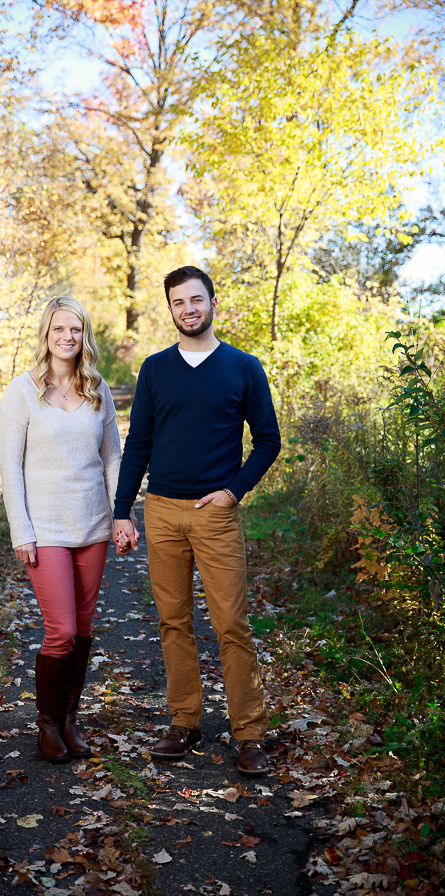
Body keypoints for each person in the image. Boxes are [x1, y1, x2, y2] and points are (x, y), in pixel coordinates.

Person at [112, 266, 281, 775]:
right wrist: (123, 510)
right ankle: (184, 723)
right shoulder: (155, 369)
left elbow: (268, 439)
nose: (189, 309)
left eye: (196, 300)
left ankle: (249, 733)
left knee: (231, 623)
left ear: (212, 303)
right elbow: (137, 442)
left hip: (215, 516)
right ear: (171, 310)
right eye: (179, 302)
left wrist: (234, 491)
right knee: (173, 623)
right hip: (161, 512)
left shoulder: (243, 368)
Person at [0, 296, 122, 763]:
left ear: (83, 335)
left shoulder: (98, 389)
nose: (67, 337)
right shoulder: (22, 391)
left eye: (75, 329)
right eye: (58, 330)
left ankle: (70, 722)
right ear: (46, 336)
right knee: (62, 631)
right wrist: (21, 531)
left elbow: (112, 457)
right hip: (45, 529)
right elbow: (9, 468)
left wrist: (120, 514)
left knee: (84, 629)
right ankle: (47, 725)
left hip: (92, 525)